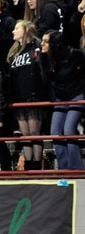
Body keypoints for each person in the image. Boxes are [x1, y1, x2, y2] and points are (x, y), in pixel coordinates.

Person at [39, 30, 85, 170]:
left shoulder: (75, 54)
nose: (42, 44)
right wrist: (42, 61)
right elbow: (46, 80)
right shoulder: (47, 58)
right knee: (55, 131)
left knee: (69, 128)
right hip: (60, 97)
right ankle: (63, 169)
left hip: (77, 94)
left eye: (46, 41)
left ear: (55, 44)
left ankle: (76, 169)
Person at [7, 20, 46, 171]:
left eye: (16, 28)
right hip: (19, 97)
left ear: (26, 30)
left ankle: (37, 165)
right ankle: (29, 166)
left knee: (34, 133)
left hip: (34, 96)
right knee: (25, 134)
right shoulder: (14, 51)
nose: (13, 31)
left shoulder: (36, 47)